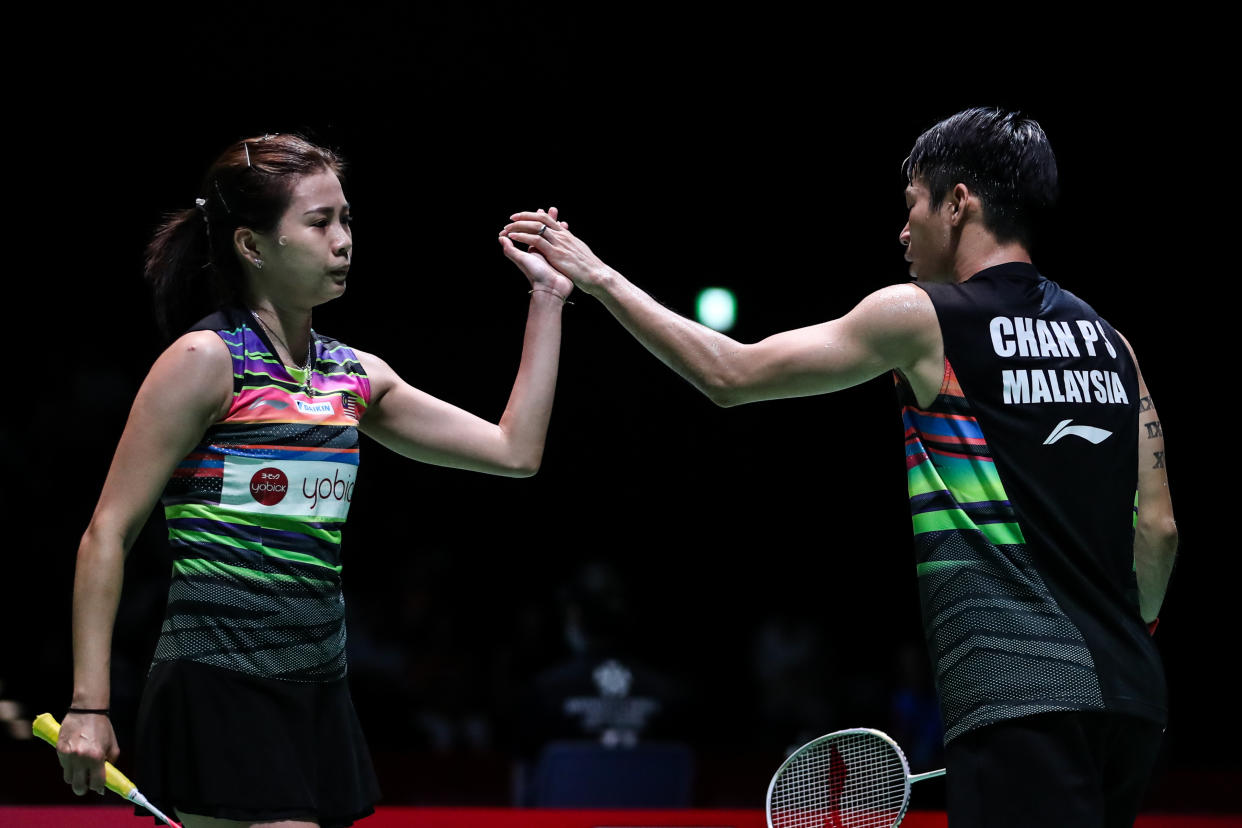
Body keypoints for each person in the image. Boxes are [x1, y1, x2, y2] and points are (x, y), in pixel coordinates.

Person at [501, 108, 1178, 827]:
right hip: (1133, 702)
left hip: (1019, 698)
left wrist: (597, 276)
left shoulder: (921, 317)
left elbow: (732, 373)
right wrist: (1114, 649)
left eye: (913, 203)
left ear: (958, 203)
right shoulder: (1113, 344)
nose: (903, 229)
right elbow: (1160, 532)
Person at [56, 133, 573, 828]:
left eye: (348, 219)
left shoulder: (353, 376)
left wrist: (546, 299)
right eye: (320, 221)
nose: (344, 240)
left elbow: (515, 451)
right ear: (252, 245)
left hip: (318, 688)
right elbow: (107, 533)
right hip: (221, 678)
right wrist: (89, 705)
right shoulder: (208, 362)